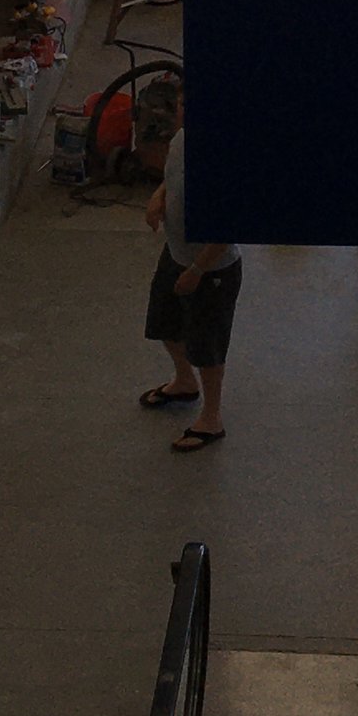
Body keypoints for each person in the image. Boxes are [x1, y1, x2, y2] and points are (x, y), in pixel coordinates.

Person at [137, 88, 242, 452]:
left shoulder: (222, 158)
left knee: (208, 346)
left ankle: (211, 419)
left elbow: (227, 230)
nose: (182, 114)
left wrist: (197, 270)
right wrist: (158, 198)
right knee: (164, 324)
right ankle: (184, 382)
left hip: (211, 271)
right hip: (176, 254)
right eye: (181, 106)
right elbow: (171, 176)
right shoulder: (181, 140)